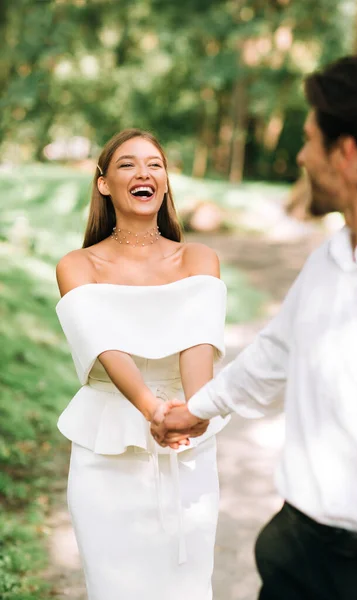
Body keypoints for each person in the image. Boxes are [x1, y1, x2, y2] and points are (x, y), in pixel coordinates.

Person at [153, 54, 357, 600]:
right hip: (300, 549)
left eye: (311, 140)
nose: (300, 155)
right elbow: (273, 359)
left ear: (348, 154)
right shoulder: (329, 259)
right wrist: (193, 411)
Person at [55, 128, 230, 600]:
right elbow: (105, 347)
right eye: (127, 164)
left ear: (166, 182)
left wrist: (187, 416)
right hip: (106, 445)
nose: (144, 172)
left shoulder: (199, 258)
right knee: (113, 586)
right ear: (104, 184)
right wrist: (151, 408)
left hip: (186, 445)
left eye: (154, 163)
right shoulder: (78, 265)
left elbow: (198, 347)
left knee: (187, 586)